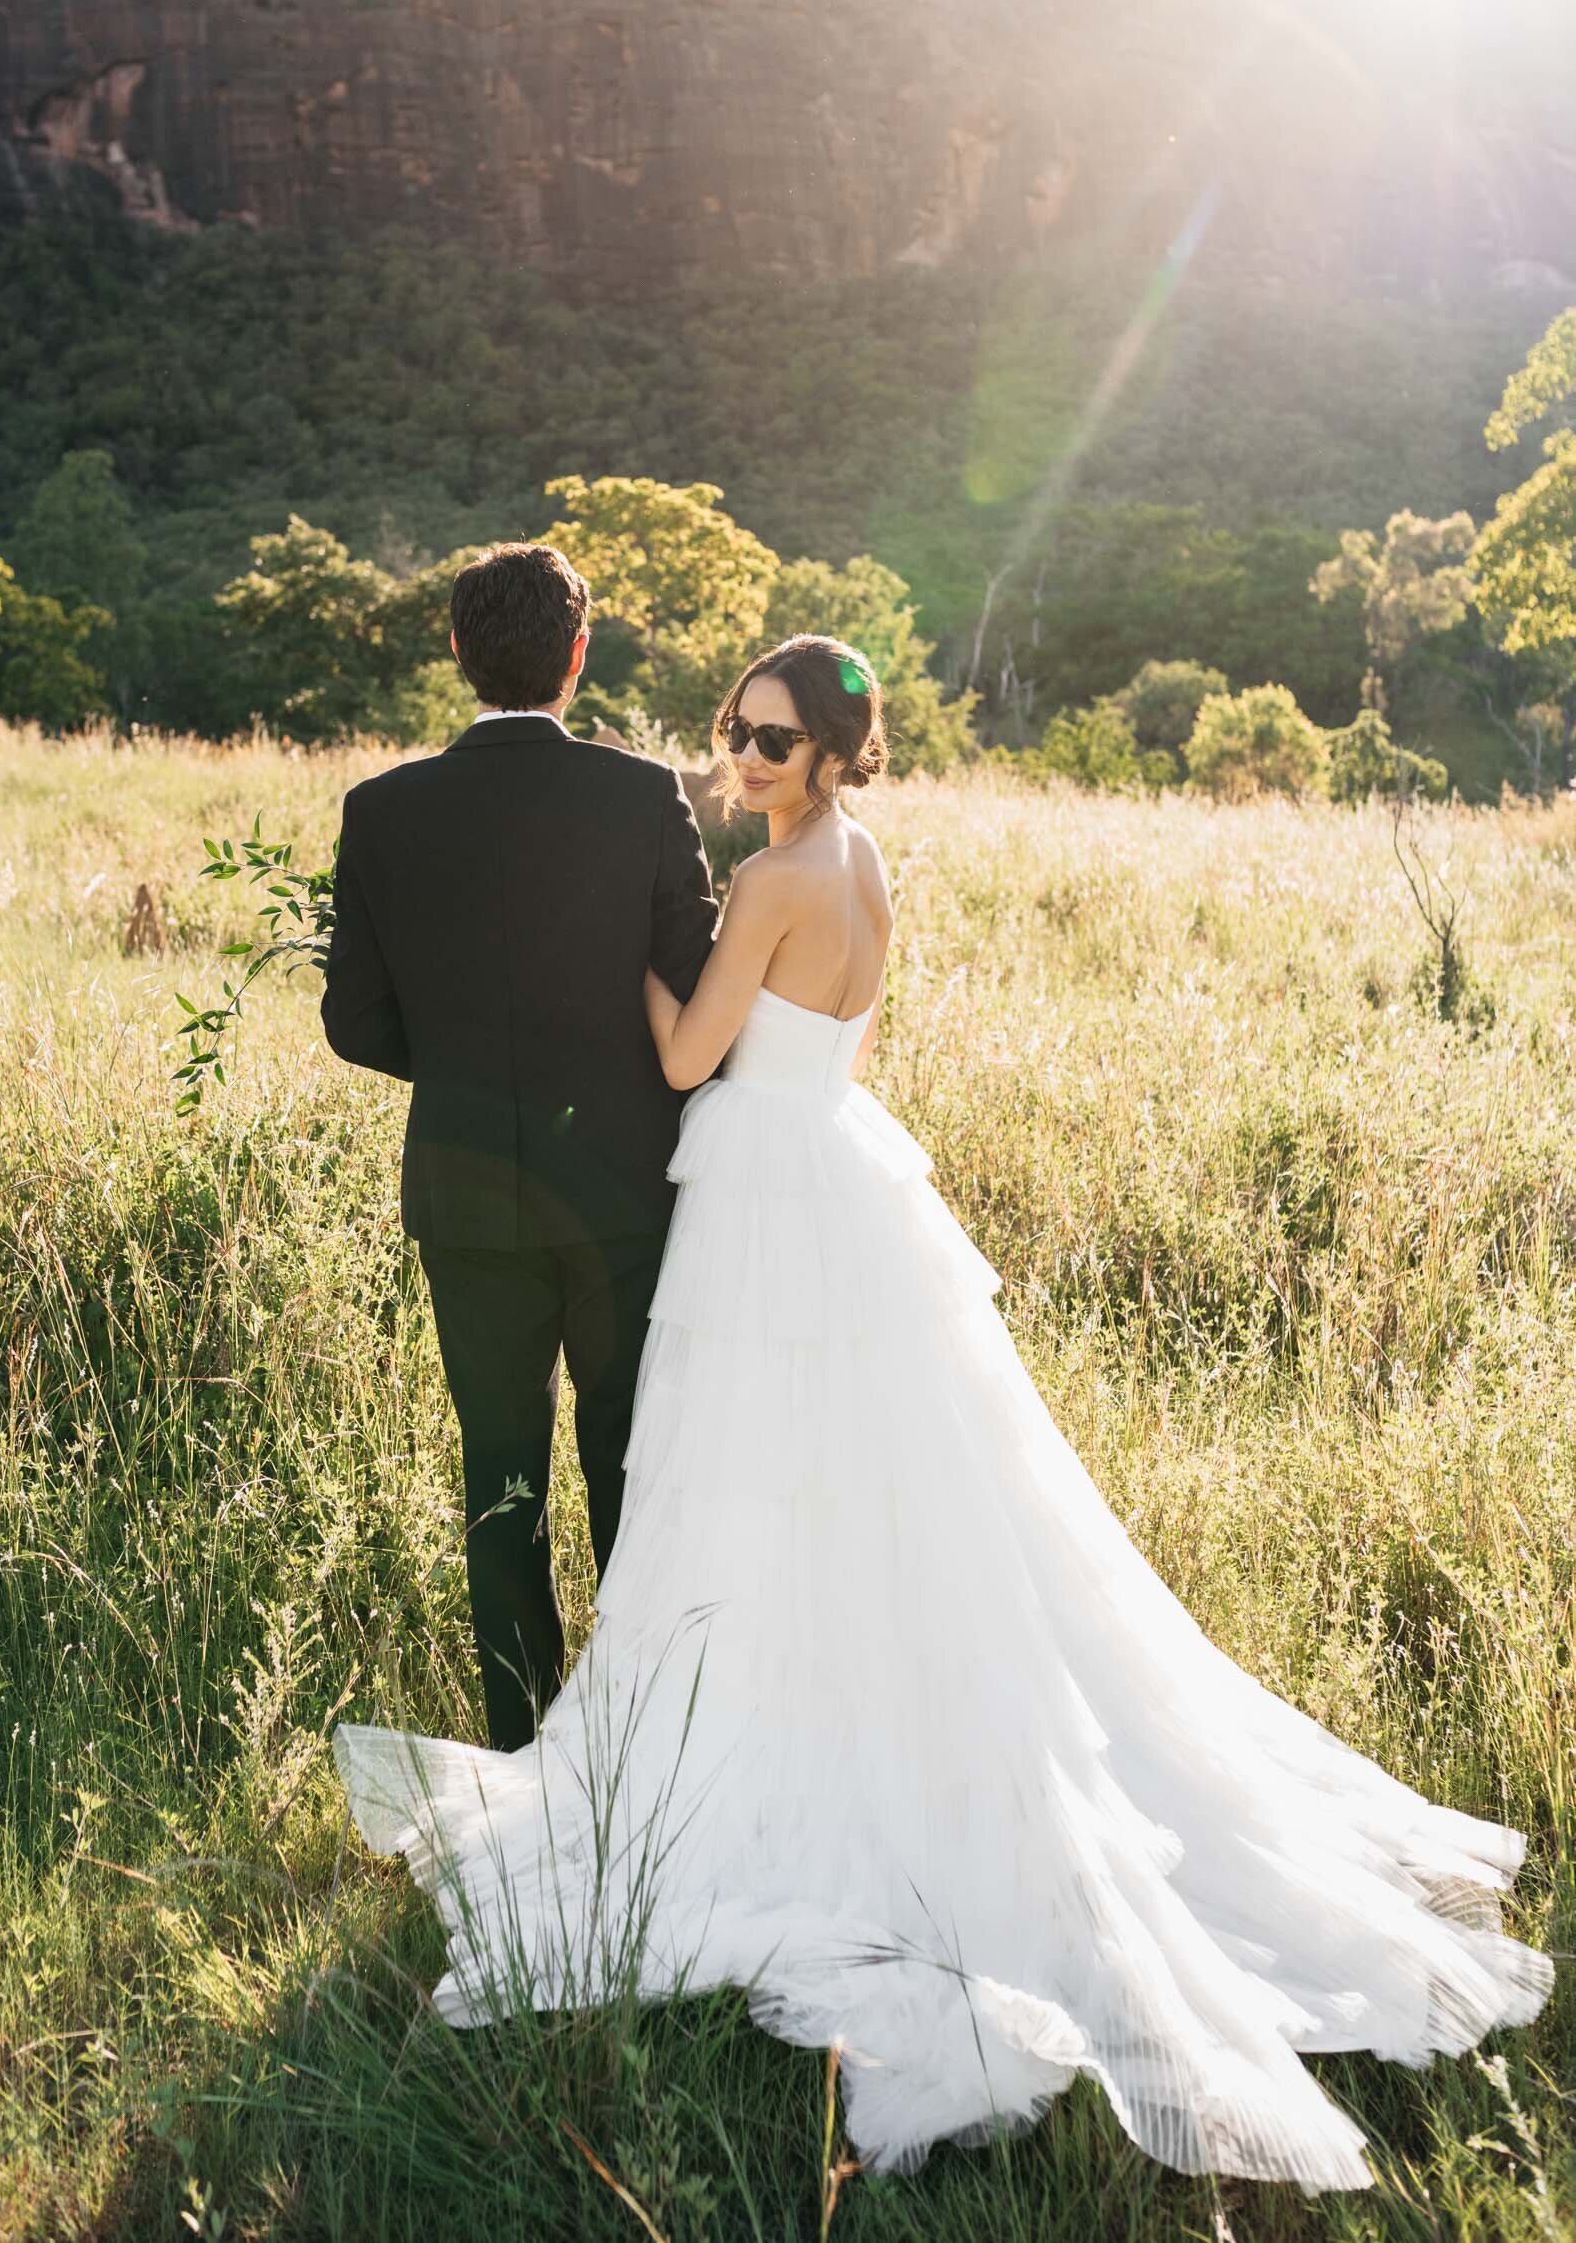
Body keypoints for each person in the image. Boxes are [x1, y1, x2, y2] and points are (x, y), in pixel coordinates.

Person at [333, 633, 1553, 2192]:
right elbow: (840, 1038)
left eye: (773, 743)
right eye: (737, 733)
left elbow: (692, 1050)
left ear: (838, 754)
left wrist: (602, 969)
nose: (743, 760)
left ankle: (756, 1742)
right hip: (841, 1166)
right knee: (856, 1483)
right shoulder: (864, 866)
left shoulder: (772, 881)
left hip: (763, 1186)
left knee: (744, 1476)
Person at [320, 542, 717, 1750]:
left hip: (465, 1193)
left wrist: (461, 1074)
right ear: (578, 654)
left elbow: (353, 1020)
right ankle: (649, 1733)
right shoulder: (643, 795)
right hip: (621, 1191)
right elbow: (697, 988)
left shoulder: (380, 810)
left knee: (501, 1473)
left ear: (456, 651)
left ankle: (523, 1743)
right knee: (629, 1466)